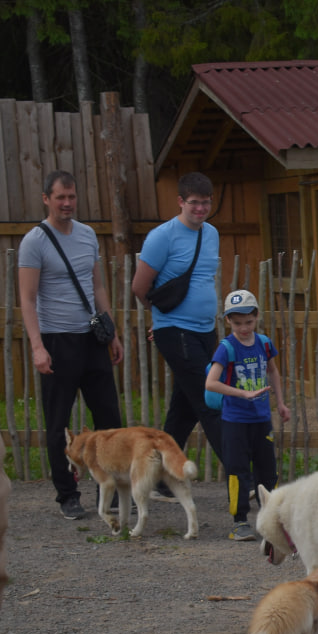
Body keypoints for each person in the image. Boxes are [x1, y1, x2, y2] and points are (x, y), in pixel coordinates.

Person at [18, 170, 124, 520]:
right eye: (60, 197)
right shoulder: (35, 241)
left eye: (72, 197)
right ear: (46, 199)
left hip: (91, 338)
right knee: (58, 422)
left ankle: (109, 488)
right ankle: (67, 495)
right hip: (56, 339)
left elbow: (98, 288)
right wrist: (37, 346)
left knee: (109, 418)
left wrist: (113, 335)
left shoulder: (88, 235)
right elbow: (28, 299)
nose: (67, 203)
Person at [130, 171, 225, 487]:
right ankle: (244, 475)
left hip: (204, 330)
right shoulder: (162, 236)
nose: (200, 209)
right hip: (175, 329)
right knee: (210, 398)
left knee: (183, 411)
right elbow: (140, 286)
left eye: (206, 203)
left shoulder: (211, 234)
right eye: (194, 203)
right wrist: (161, 322)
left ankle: (157, 479)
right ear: (181, 202)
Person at [205, 290, 290, 541]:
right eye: (237, 322)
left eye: (248, 322)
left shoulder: (264, 343)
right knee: (237, 469)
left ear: (257, 318)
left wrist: (281, 403)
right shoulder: (226, 348)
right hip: (235, 421)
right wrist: (242, 394)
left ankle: (271, 519)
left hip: (261, 419)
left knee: (268, 470)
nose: (243, 328)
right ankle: (239, 521)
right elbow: (211, 383)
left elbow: (273, 372)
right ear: (228, 321)